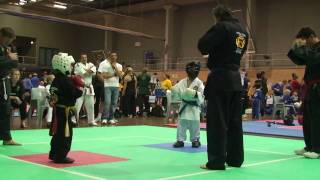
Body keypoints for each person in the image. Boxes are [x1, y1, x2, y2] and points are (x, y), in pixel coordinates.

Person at [198, 5, 248, 170]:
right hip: (236, 78)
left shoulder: (221, 26)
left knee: (217, 122)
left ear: (217, 16)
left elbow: (202, 45)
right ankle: (235, 159)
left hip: (220, 77)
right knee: (234, 122)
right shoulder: (243, 31)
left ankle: (216, 161)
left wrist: (214, 29)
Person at [288, 27, 320, 159]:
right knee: (307, 118)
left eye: (306, 41)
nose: (305, 44)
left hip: (317, 88)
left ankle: (317, 149)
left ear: (312, 37)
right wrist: (294, 49)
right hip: (309, 88)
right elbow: (300, 60)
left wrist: (302, 48)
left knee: (316, 118)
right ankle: (310, 146)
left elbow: (312, 58)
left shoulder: (317, 49)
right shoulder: (311, 50)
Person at [49, 53, 83, 163]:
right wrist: (80, 88)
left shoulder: (56, 79)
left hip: (58, 110)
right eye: (70, 65)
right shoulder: (65, 80)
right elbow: (74, 93)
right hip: (64, 111)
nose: (71, 67)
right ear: (64, 65)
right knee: (66, 134)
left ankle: (53, 153)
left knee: (57, 132)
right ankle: (61, 156)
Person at [172, 62, 204, 148]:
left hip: (194, 107)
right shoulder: (182, 82)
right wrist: (173, 91)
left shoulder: (199, 83)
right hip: (184, 105)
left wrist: (193, 94)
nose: (193, 71)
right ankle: (180, 140)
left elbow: (201, 95)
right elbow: (177, 93)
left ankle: (195, 140)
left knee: (195, 123)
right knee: (182, 123)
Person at [0, 27, 21, 145]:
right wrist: (9, 58)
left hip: (4, 81)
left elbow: (14, 63)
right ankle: (6, 138)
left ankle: (7, 137)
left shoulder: (5, 48)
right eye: (8, 40)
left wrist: (9, 57)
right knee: (3, 109)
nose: (9, 43)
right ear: (2, 36)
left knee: (5, 109)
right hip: (1, 82)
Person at [98, 52, 123, 125]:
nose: (113, 57)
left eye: (115, 56)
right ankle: (104, 118)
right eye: (112, 56)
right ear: (110, 57)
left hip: (116, 86)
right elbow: (104, 75)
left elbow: (120, 76)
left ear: (116, 57)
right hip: (107, 86)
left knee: (114, 103)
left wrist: (115, 68)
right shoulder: (105, 65)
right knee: (107, 102)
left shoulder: (119, 65)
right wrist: (114, 74)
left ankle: (111, 118)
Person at [74, 53, 97, 126]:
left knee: (91, 105)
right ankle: (74, 120)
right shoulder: (77, 65)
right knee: (77, 105)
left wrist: (87, 70)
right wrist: (89, 71)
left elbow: (93, 73)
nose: (84, 59)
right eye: (83, 57)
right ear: (80, 59)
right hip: (80, 87)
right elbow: (83, 74)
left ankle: (91, 121)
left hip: (89, 87)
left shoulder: (90, 64)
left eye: (85, 57)